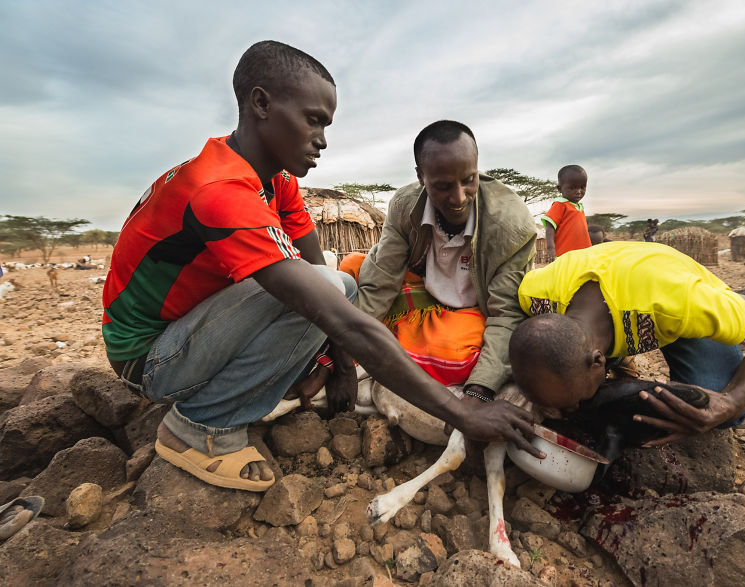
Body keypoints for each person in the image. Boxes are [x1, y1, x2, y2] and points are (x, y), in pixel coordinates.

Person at [102, 42, 539, 493]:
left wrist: (339, 363)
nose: (323, 139)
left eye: (326, 124)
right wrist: (463, 412)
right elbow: (334, 315)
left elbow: (334, 293)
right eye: (313, 120)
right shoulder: (221, 193)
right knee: (327, 292)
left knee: (339, 285)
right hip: (150, 359)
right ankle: (201, 426)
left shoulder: (276, 179)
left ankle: (234, 395)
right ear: (261, 103)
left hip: (191, 331)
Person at [509, 241, 745, 445]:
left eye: (570, 403)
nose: (564, 412)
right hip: (614, 293)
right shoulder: (534, 294)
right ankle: (616, 365)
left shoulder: (680, 301)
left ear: (598, 360)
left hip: (663, 293)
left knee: (710, 407)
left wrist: (733, 401)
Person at [346, 120, 537, 405]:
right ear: (421, 177)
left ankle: (390, 344)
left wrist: (479, 390)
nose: (459, 197)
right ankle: (390, 342)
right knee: (351, 268)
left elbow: (506, 315)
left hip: (472, 312)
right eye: (443, 186)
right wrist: (338, 354)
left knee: (457, 354)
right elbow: (379, 284)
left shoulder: (511, 225)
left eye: (469, 180)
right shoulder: (404, 205)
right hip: (422, 297)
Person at [540, 165, 592, 261]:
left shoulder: (579, 207)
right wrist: (551, 247)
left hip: (582, 253)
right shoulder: (560, 204)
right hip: (565, 254)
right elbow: (549, 226)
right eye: (572, 188)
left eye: (582, 187)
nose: (579, 191)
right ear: (559, 189)